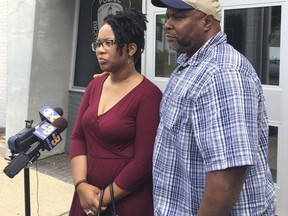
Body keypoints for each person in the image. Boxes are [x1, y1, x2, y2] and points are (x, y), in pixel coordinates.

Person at [151, 0, 276, 215]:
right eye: (168, 15)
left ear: (207, 21)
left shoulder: (222, 73)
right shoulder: (190, 66)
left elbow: (226, 176)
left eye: (178, 17)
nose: (167, 24)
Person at [69, 9, 162, 216]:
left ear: (131, 49)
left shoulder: (149, 95)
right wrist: (81, 185)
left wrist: (102, 198)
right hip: (86, 197)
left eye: (108, 43)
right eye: (98, 43)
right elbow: (78, 137)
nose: (100, 50)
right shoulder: (94, 86)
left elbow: (144, 160)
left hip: (125, 202)